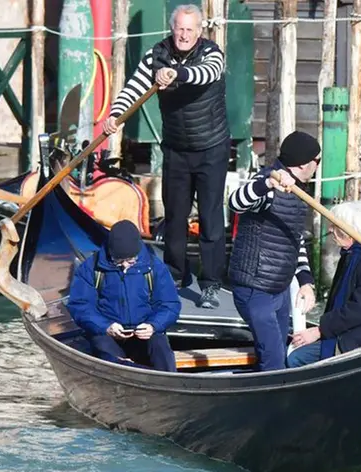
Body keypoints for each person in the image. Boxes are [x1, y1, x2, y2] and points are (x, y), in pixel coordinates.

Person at [104, 3, 229, 310]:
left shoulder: (212, 54)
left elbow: (205, 74)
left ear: (199, 31)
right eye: (179, 29)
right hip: (176, 148)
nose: (184, 35)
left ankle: (211, 284)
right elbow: (133, 89)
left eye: (190, 30)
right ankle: (175, 275)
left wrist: (176, 73)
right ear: (172, 29)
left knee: (211, 219)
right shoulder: (155, 54)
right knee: (174, 217)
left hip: (212, 148)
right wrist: (115, 117)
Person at [227, 131, 320, 371]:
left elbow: (293, 240)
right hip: (254, 288)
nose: (318, 167)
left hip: (278, 289)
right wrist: (267, 183)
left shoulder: (299, 192)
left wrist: (306, 281)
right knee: (274, 359)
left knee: (276, 352)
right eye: (317, 161)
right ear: (303, 163)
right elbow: (235, 202)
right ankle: (273, 404)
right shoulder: (268, 183)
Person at [287, 200, 361, 368]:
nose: (329, 230)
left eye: (334, 226)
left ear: (348, 230)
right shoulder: (352, 255)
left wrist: (319, 331)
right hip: (357, 328)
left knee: (296, 358)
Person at [66, 220, 181, 372]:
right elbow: (80, 305)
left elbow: (169, 304)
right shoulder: (90, 268)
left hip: (144, 331)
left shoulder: (155, 267)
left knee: (162, 351)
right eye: (118, 261)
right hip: (107, 332)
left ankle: (170, 384)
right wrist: (105, 326)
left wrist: (153, 325)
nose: (125, 266)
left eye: (130, 261)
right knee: (108, 357)